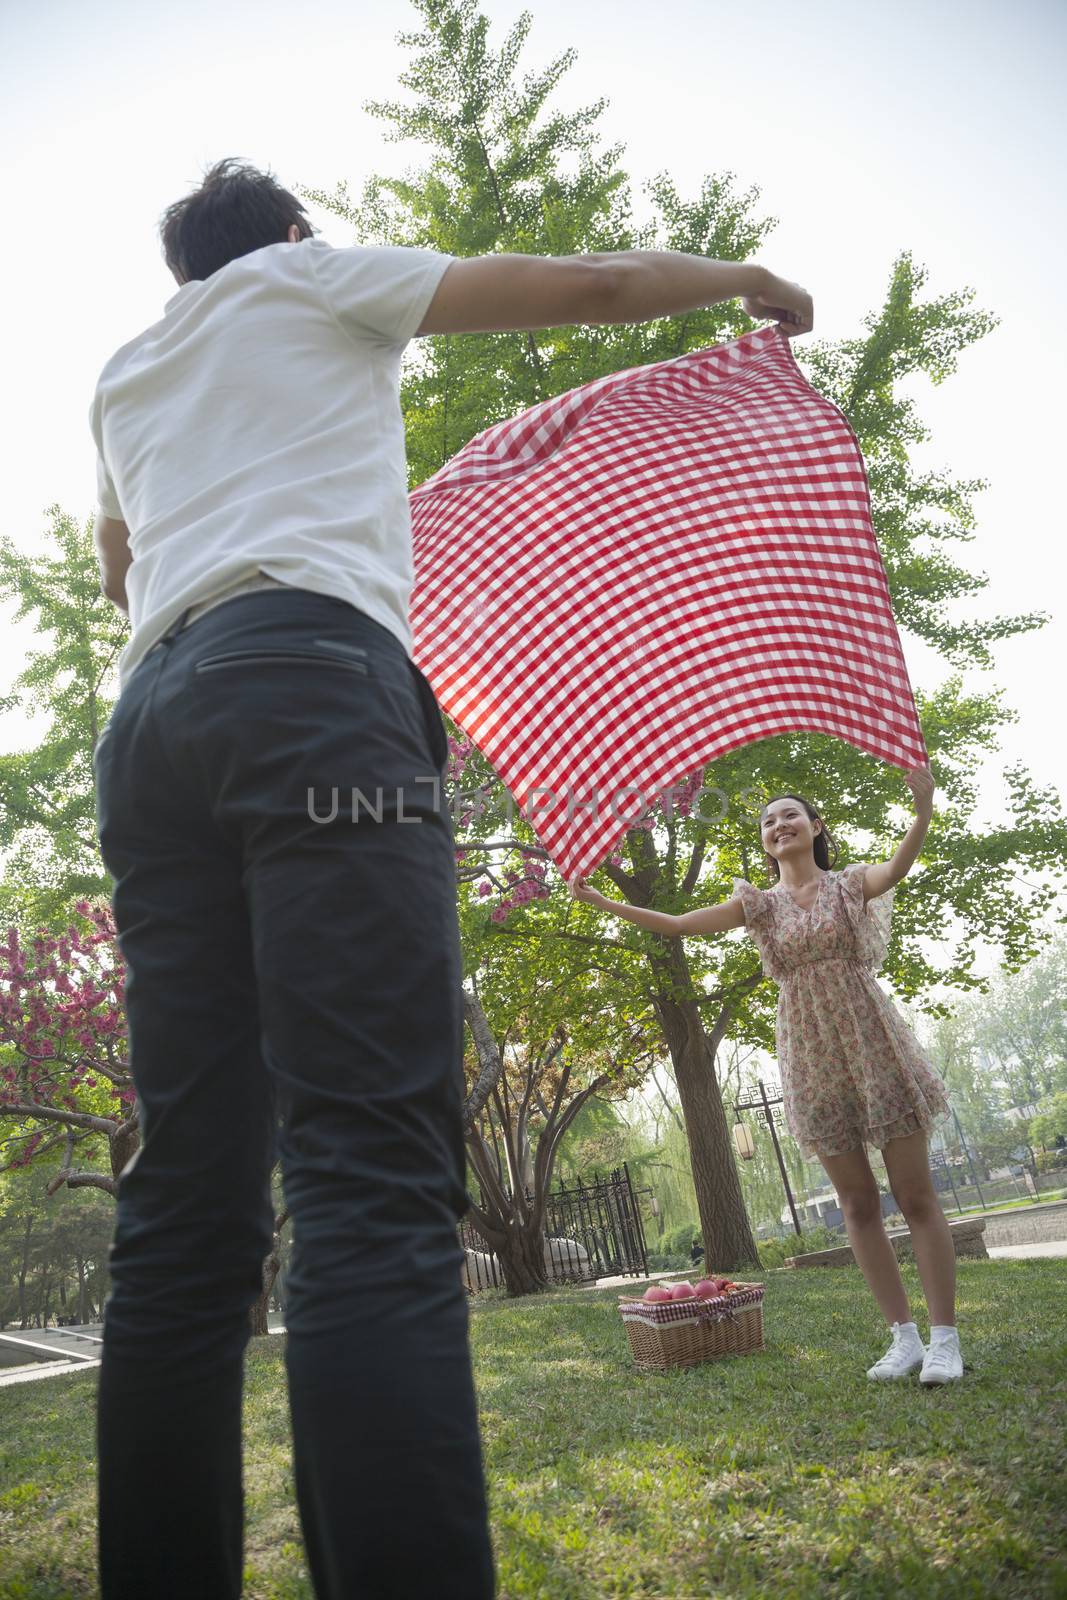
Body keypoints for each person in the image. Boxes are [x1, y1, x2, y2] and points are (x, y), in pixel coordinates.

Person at [89, 155, 814, 1600]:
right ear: (292, 234)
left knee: (186, 1207)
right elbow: (595, 288)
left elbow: (120, 565)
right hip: (307, 693)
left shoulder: (128, 372)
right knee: (362, 1174)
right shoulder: (308, 277)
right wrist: (741, 281)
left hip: (148, 732)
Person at [571, 769, 965, 1387]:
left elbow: (897, 868)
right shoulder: (758, 906)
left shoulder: (848, 886)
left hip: (871, 1041)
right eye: (768, 821)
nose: (779, 825)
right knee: (857, 1204)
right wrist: (598, 900)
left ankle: (945, 1339)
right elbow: (676, 925)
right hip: (810, 1056)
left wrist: (921, 811)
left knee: (915, 1196)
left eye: (790, 815)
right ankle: (904, 1338)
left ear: (815, 827)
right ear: (764, 841)